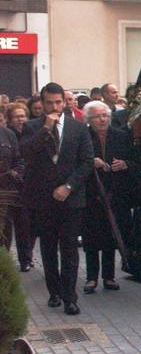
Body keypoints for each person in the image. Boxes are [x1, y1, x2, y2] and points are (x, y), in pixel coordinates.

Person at [21, 83, 94, 315]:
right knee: (49, 248)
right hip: (43, 199)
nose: (55, 106)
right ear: (42, 104)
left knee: (70, 249)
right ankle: (53, 291)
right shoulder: (32, 127)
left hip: (71, 199)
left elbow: (87, 162)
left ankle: (70, 297)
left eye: (58, 102)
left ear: (64, 102)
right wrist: (46, 128)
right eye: (50, 102)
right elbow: (26, 153)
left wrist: (69, 186)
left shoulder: (78, 128)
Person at [81, 102, 134, 295]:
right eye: (97, 116)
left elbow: (134, 160)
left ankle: (109, 276)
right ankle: (91, 277)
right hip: (92, 193)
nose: (102, 119)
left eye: (105, 115)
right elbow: (75, 162)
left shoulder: (121, 135)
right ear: (89, 119)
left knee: (112, 234)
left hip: (115, 193)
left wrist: (125, 164)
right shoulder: (83, 136)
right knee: (92, 237)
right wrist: (90, 162)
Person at [4, 102, 33, 271]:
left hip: (26, 187)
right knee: (6, 226)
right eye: (17, 116)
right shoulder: (7, 135)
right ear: (9, 119)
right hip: (9, 186)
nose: (20, 119)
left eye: (23, 116)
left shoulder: (31, 132)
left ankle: (26, 259)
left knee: (25, 225)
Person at [0, 101, 22, 271]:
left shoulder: (8, 135)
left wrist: (15, 172)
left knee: (5, 228)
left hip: (5, 190)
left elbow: (18, 159)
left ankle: (4, 264)